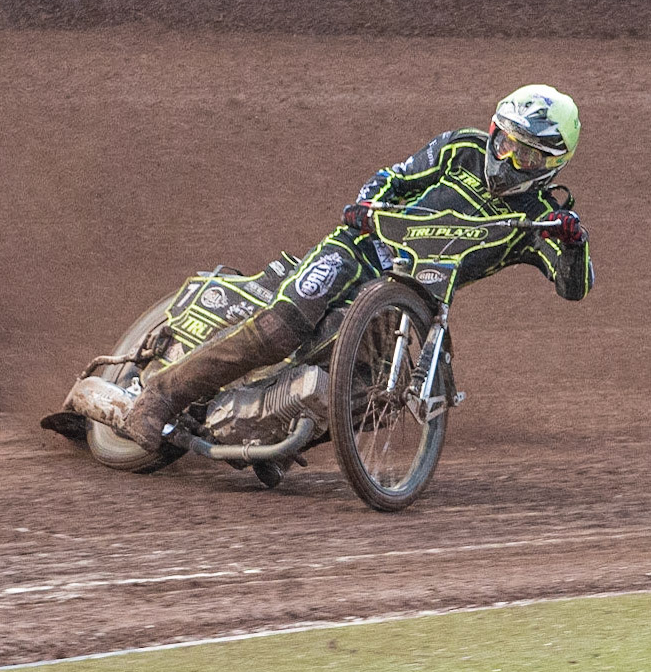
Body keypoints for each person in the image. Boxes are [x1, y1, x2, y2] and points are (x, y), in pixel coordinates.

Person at [101, 84, 594, 454]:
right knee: (281, 330)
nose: (509, 158)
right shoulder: (460, 148)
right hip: (359, 249)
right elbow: (393, 178)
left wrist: (574, 244)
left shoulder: (540, 219)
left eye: (527, 154)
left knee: (376, 394)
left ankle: (279, 432)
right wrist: (366, 206)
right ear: (492, 132)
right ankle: (159, 399)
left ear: (552, 164)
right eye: (506, 142)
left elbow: (573, 288)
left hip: (412, 298)